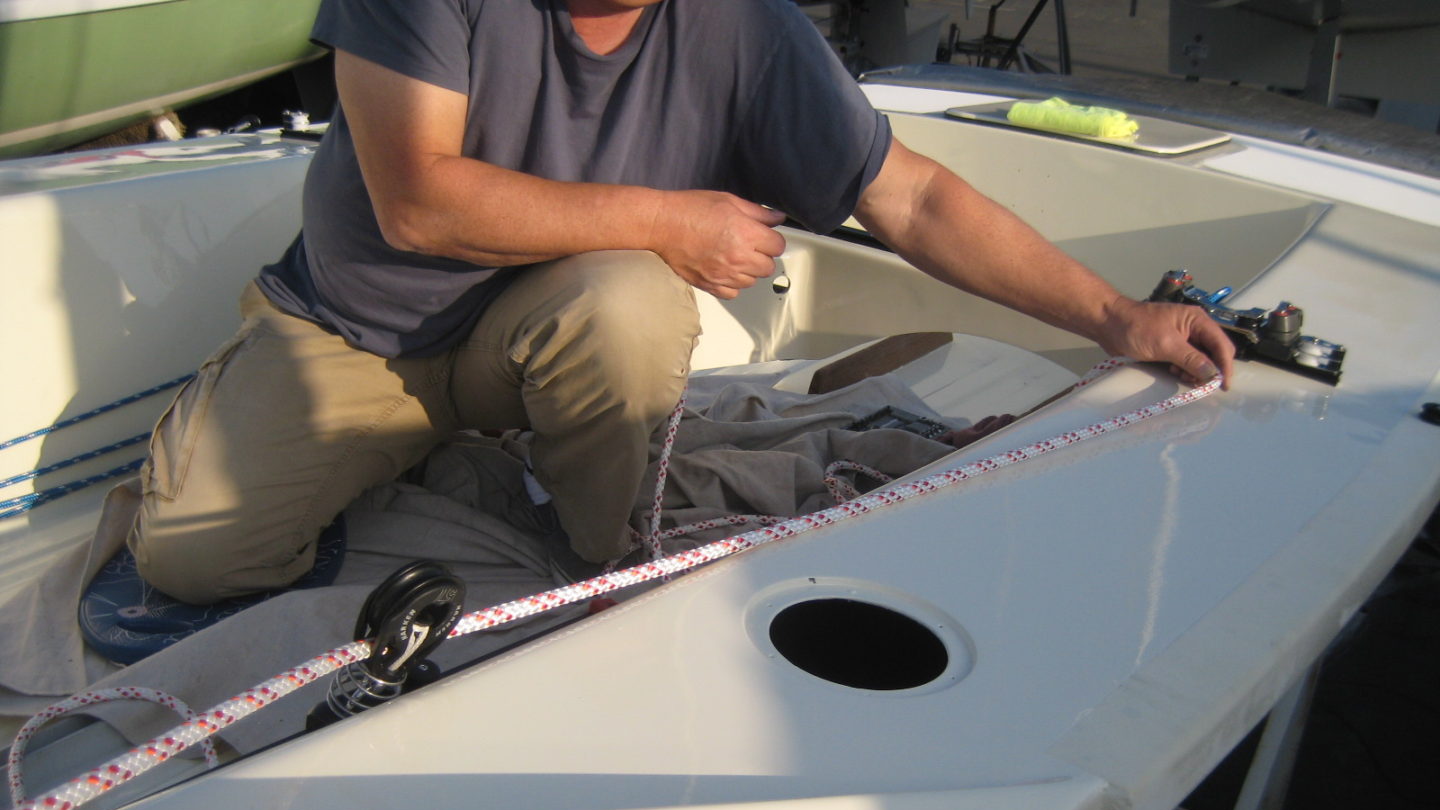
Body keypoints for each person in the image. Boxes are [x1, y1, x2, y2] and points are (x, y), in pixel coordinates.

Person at [129, 0, 1233, 604]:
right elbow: (418, 203)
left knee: (628, 304)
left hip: (544, 338)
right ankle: (455, 461)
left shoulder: (746, 28)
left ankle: (596, 556)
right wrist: (669, 221)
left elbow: (915, 198)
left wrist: (1115, 320)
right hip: (356, 337)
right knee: (187, 564)